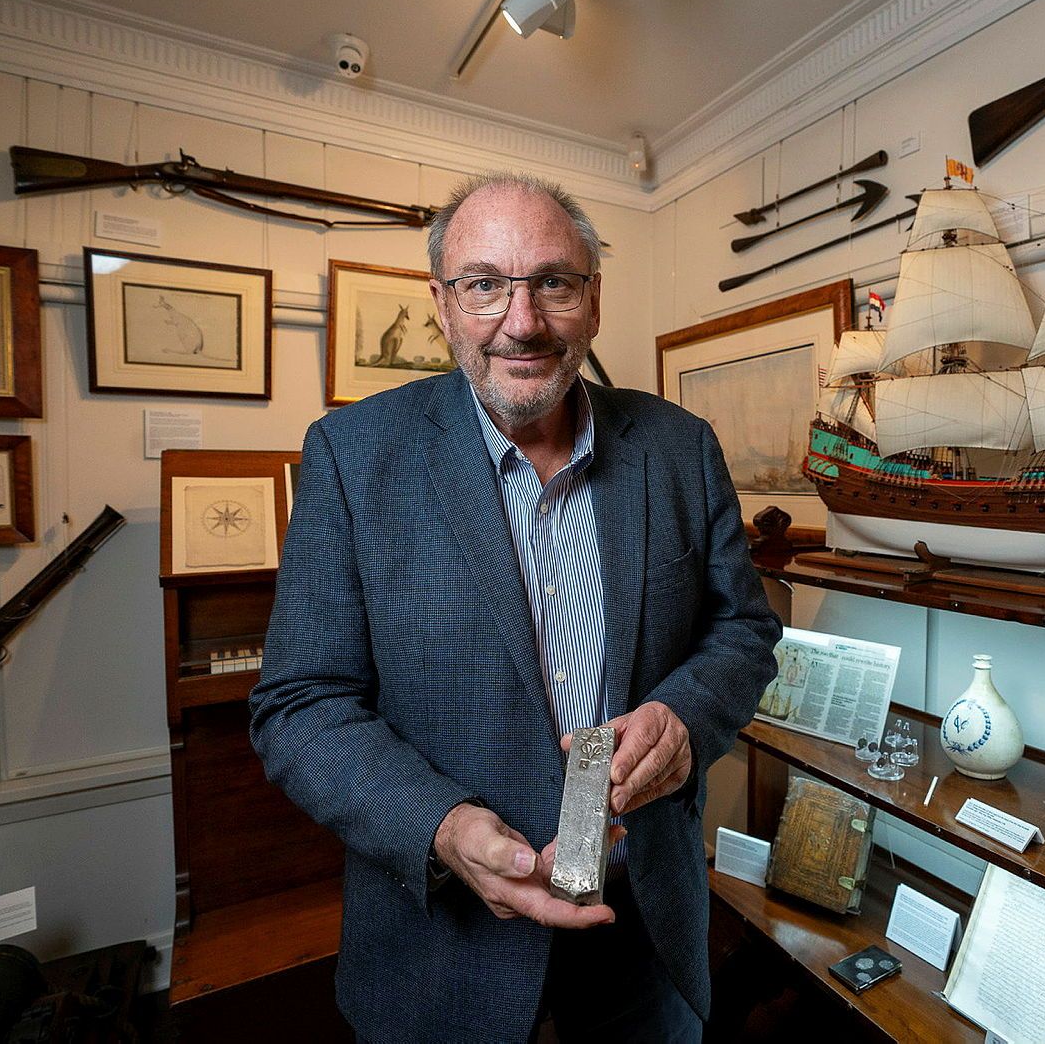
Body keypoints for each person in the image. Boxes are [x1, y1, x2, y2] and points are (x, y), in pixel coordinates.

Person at [250, 172, 781, 1043]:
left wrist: (685, 720)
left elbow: (744, 630)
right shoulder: (352, 456)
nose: (522, 321)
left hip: (645, 929)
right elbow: (299, 705)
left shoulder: (680, 448)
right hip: (446, 949)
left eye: (553, 282)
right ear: (442, 303)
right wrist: (442, 828)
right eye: (485, 283)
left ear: (593, 300)